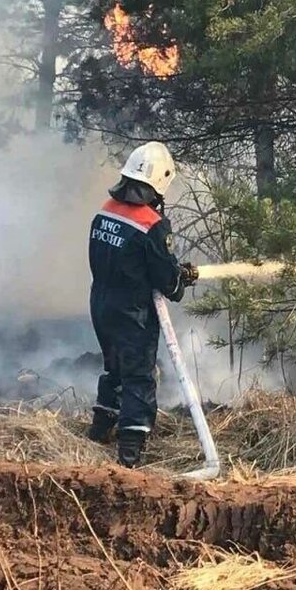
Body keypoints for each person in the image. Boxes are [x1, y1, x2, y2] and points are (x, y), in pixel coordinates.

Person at [86, 141, 198, 467]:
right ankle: (130, 450)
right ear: (159, 182)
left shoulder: (104, 210)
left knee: (114, 367)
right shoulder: (152, 224)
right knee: (138, 375)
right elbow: (168, 282)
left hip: (100, 303)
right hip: (132, 310)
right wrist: (181, 277)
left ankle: (100, 428)